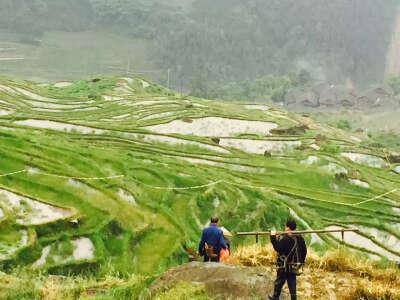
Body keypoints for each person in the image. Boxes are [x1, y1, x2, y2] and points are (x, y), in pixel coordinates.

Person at [268, 219, 307, 300]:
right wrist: (301, 262)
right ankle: (293, 298)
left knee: (279, 282)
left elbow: (278, 248)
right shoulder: (300, 238)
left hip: (285, 266)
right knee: (292, 282)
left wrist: (272, 237)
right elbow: (304, 251)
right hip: (294, 266)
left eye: (286, 226)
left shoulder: (287, 239)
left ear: (288, 228)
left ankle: (275, 297)